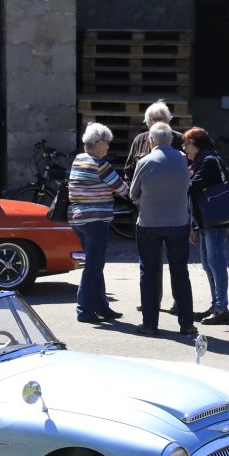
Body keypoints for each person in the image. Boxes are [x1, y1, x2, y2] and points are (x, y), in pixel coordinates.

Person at [129, 121, 197, 337]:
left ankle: (150, 324)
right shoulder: (182, 159)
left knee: (149, 273)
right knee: (180, 272)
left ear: (151, 141)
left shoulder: (144, 162)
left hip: (149, 224)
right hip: (178, 223)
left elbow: (133, 194)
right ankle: (187, 324)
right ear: (170, 140)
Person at [68, 121, 130, 323]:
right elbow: (123, 189)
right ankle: (84, 310)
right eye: (108, 143)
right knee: (93, 267)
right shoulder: (100, 164)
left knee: (95, 264)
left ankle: (102, 307)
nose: (109, 146)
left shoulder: (78, 159)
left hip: (78, 220)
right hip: (95, 220)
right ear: (99, 143)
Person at [183, 126, 229, 325]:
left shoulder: (210, 161)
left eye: (186, 143)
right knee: (208, 264)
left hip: (216, 221)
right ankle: (216, 305)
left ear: (195, 143)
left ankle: (221, 309)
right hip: (205, 221)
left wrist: (178, 178)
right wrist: (194, 226)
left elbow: (193, 187)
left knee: (216, 263)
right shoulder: (200, 162)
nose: (184, 148)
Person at [126, 99, 182, 180]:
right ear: (147, 122)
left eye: (161, 119)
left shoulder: (179, 138)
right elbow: (129, 169)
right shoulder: (139, 140)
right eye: (154, 119)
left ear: (168, 120)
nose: (157, 122)